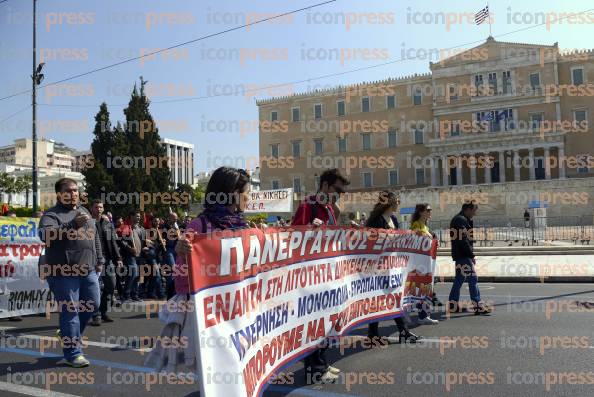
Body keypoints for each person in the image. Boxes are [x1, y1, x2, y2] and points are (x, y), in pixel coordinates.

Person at [145, 166, 251, 375]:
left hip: (236, 308)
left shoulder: (244, 226)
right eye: (247, 193)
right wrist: (182, 252)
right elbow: (182, 277)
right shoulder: (199, 225)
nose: (249, 198)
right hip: (208, 311)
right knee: (212, 365)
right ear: (232, 194)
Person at [292, 168, 349, 384]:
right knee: (313, 324)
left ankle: (322, 362)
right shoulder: (308, 205)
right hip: (310, 278)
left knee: (326, 322)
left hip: (328, 276)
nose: (339, 195)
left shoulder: (330, 209)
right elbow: (293, 235)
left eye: (342, 192)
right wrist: (308, 229)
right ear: (325, 185)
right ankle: (314, 367)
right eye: (337, 190)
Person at [38, 178, 103, 367]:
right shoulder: (51, 215)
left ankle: (67, 334)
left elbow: (94, 237)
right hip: (63, 272)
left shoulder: (83, 211)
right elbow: (45, 236)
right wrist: (71, 225)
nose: (73, 193)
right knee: (71, 311)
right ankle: (73, 353)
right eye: (69, 191)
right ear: (59, 194)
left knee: (92, 305)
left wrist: (100, 259)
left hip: (88, 270)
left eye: (75, 190)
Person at [366, 191, 422, 343]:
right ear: (389, 202)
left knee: (394, 297)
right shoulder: (376, 220)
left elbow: (398, 239)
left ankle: (380, 333)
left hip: (393, 265)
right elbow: (370, 241)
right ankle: (395, 331)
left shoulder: (394, 219)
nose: (399, 203)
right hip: (378, 266)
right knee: (381, 299)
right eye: (397, 201)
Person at [448, 202, 491, 315]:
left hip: (460, 254)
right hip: (463, 255)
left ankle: (453, 305)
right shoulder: (460, 220)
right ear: (468, 209)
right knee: (473, 278)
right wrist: (471, 255)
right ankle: (477, 305)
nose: (475, 213)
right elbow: (463, 240)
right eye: (474, 210)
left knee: (459, 279)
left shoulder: (461, 219)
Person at [90, 200, 123, 326]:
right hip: (92, 260)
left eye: (100, 207)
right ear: (91, 208)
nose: (98, 209)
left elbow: (113, 242)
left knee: (111, 285)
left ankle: (103, 312)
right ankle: (95, 315)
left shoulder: (108, 224)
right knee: (94, 289)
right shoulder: (87, 222)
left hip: (107, 259)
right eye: (96, 207)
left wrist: (118, 258)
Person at [410, 203, 439, 325]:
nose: (430, 211)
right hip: (420, 263)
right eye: (428, 210)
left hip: (427, 262)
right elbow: (417, 239)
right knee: (421, 288)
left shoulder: (425, 226)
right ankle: (421, 315)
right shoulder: (416, 225)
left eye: (430, 209)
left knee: (426, 288)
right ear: (421, 212)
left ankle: (423, 315)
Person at [119, 211, 147, 302]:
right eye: (137, 216)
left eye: (139, 216)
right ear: (131, 216)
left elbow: (144, 242)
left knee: (138, 276)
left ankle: (134, 295)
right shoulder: (127, 227)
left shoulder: (142, 229)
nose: (139, 218)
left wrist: (145, 247)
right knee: (133, 273)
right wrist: (130, 248)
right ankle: (125, 295)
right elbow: (122, 241)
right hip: (130, 255)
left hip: (140, 255)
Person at [143, 217, 166, 300]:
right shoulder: (149, 231)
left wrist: (163, 242)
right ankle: (161, 293)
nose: (157, 222)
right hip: (151, 256)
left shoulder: (159, 231)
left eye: (158, 221)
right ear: (152, 222)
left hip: (157, 256)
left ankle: (150, 293)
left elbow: (158, 245)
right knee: (157, 274)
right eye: (155, 221)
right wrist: (159, 244)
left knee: (154, 275)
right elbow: (150, 244)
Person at [161, 212, 181, 299]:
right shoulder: (164, 226)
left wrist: (178, 231)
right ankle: (171, 293)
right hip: (169, 250)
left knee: (173, 272)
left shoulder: (178, 226)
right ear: (170, 218)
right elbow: (164, 236)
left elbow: (180, 237)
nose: (176, 220)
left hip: (176, 250)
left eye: (176, 219)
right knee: (173, 269)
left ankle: (173, 292)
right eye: (174, 218)